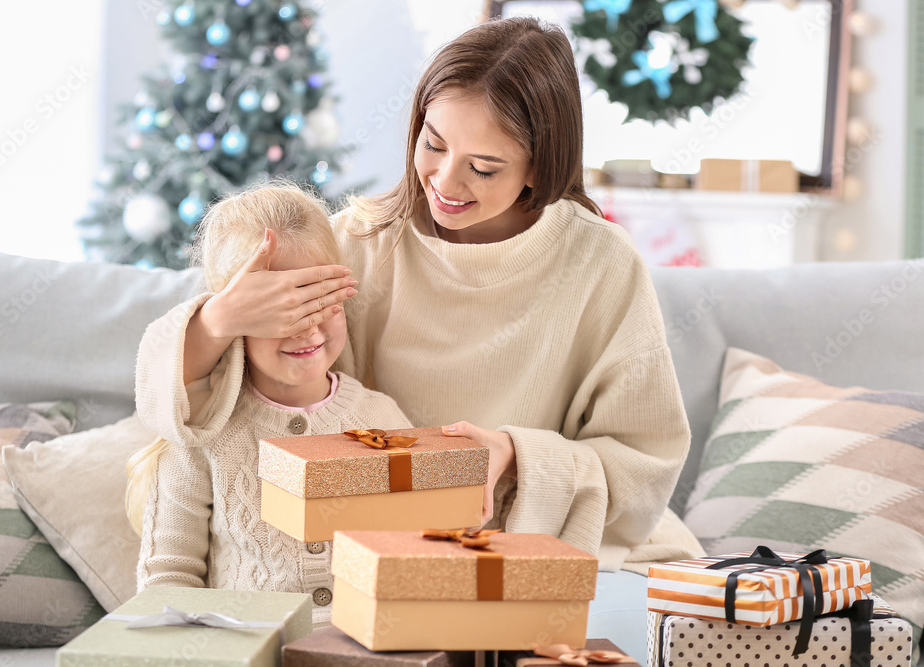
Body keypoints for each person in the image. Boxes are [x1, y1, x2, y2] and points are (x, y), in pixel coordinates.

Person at [169, 17, 704, 660]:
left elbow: (645, 464)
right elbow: (211, 399)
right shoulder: (360, 243)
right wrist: (216, 320)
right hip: (373, 573)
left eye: (483, 167)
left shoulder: (602, 264)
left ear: (540, 167)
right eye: (432, 143)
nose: (446, 183)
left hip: (534, 560)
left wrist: (514, 456)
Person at [126, 182, 413, 631]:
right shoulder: (204, 434)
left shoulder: (382, 421)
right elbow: (167, 583)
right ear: (236, 314)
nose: (309, 329)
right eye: (284, 310)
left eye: (323, 300)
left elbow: (415, 559)